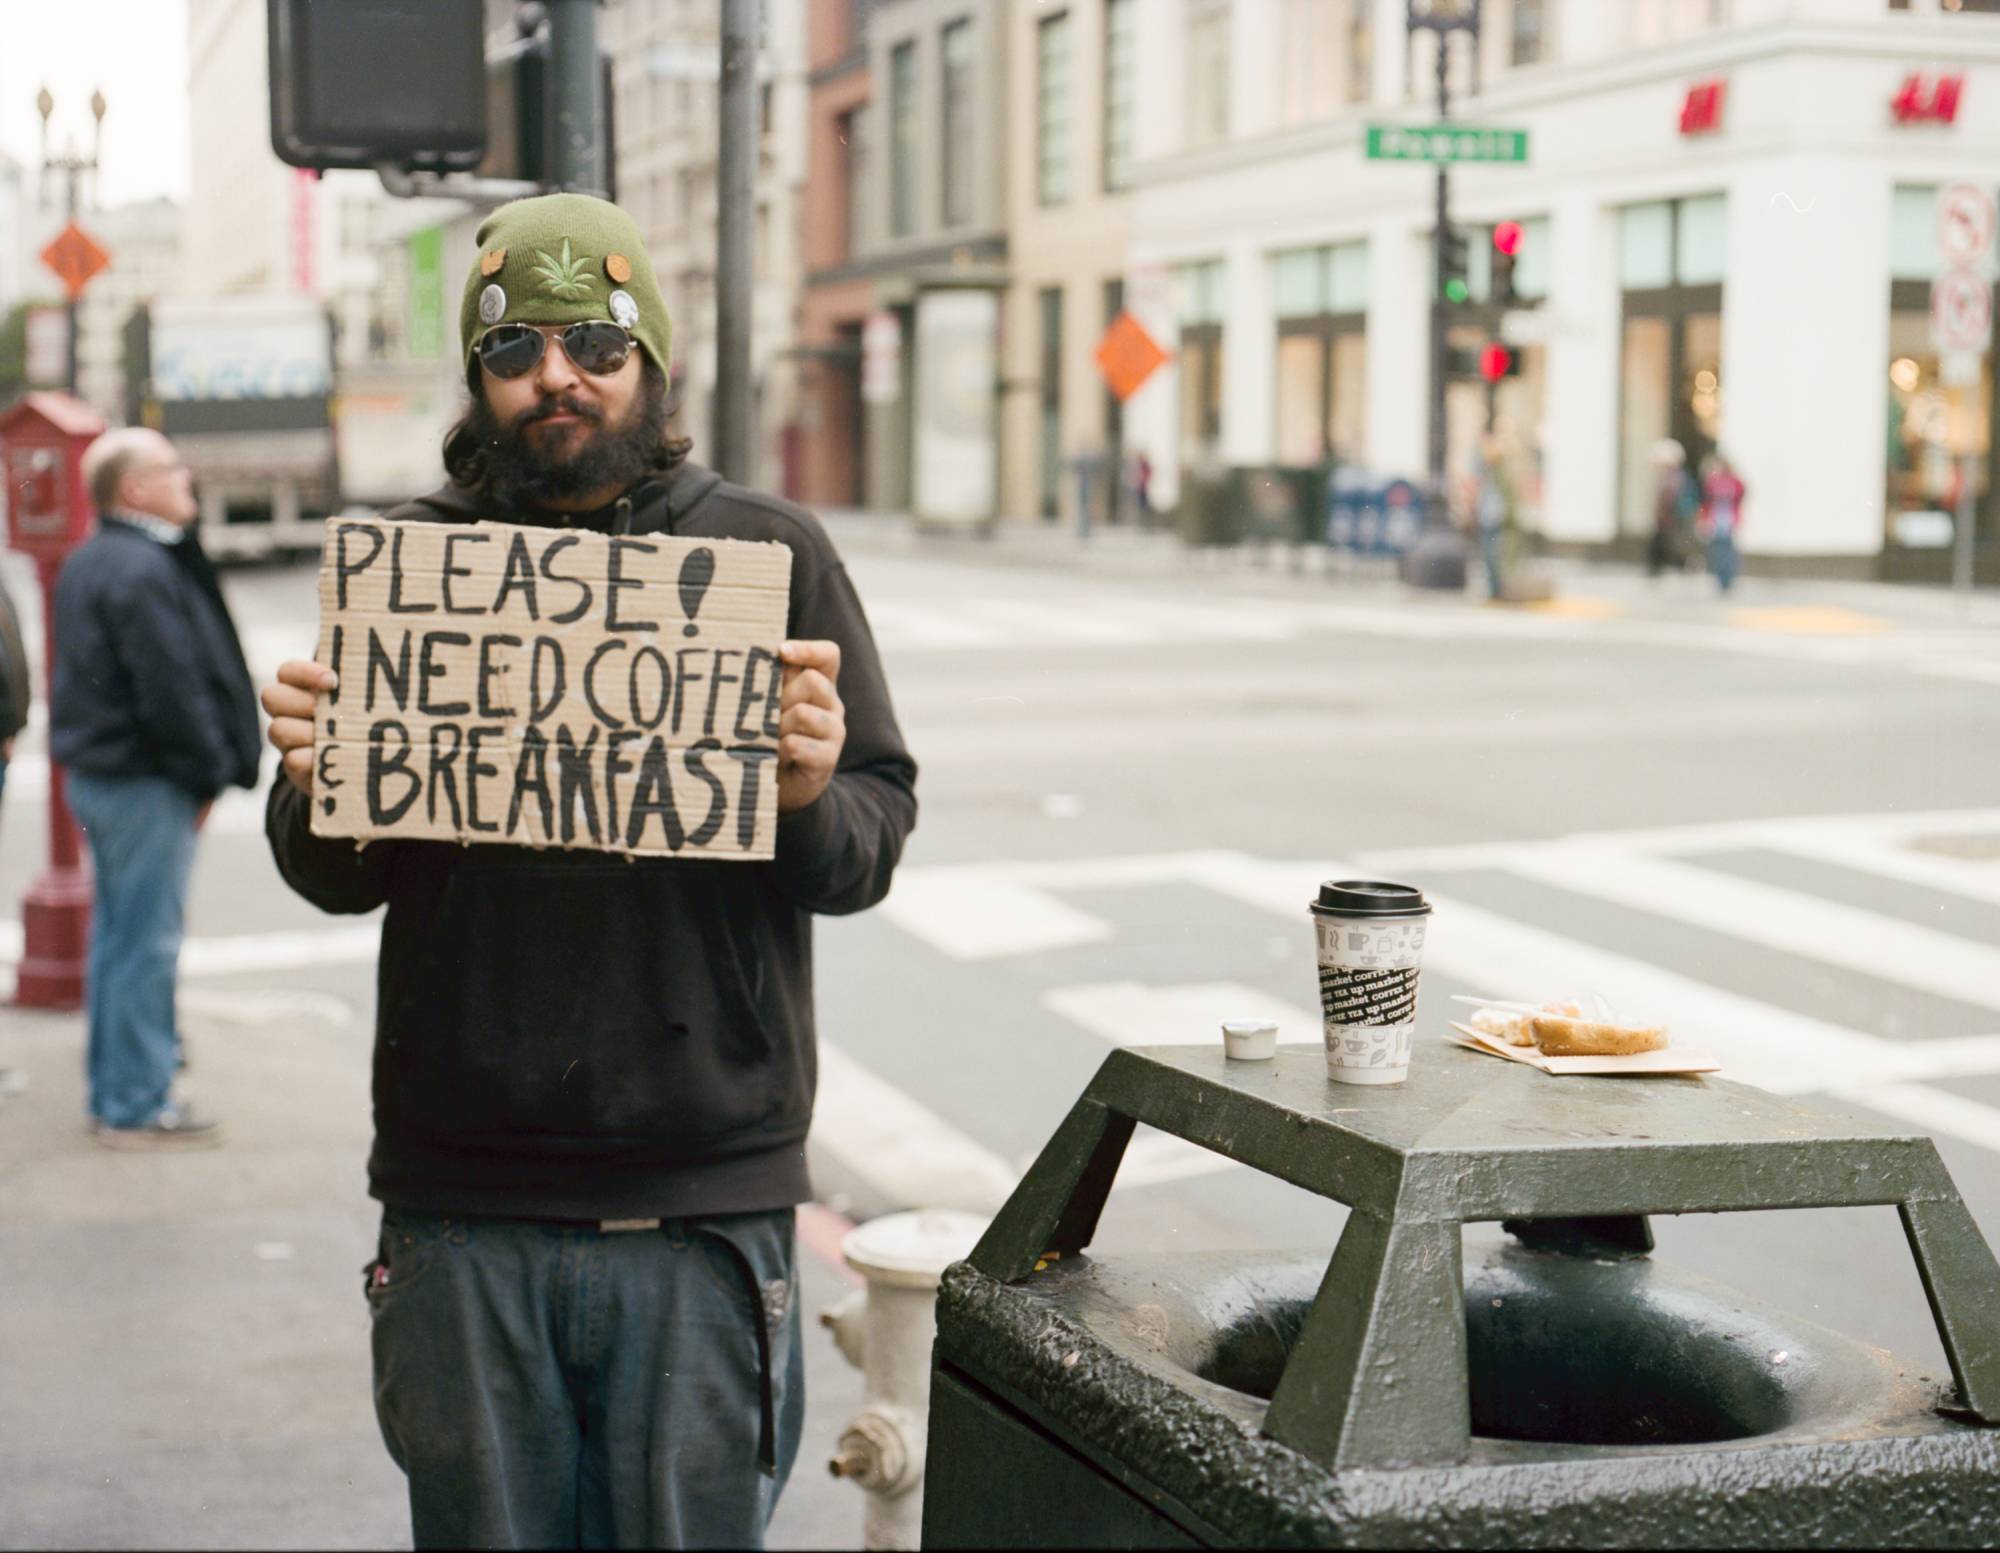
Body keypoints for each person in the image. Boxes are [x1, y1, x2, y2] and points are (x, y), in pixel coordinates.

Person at [259, 194, 918, 1551]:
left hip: (701, 1202)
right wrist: (315, 788)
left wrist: (803, 793)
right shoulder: (410, 565)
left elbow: (869, 842)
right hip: (462, 1208)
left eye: (593, 345)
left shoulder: (769, 553)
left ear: (649, 367)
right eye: (516, 351)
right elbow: (332, 877)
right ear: (480, 380)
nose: (556, 375)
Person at [51, 427, 260, 1146]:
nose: (187, 480)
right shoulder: (143, 568)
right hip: (145, 783)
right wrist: (208, 773)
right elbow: (171, 688)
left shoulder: (96, 558)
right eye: (171, 470)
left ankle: (115, 1089)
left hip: (105, 778)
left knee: (119, 938)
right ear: (133, 489)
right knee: (145, 944)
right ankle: (135, 1103)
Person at [1646, 438, 1696, 578]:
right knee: (1666, 541)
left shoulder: (1674, 476)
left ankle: (1679, 565)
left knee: (1670, 542)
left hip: (1671, 516)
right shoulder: (1673, 475)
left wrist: (1663, 513)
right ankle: (1668, 566)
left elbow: (1669, 497)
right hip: (1670, 516)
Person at [1471, 432, 1512, 600]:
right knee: (1489, 556)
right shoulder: (1487, 475)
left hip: (1495, 520)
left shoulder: (1499, 475)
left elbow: (1506, 498)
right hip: (1487, 519)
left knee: (1493, 555)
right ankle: (1493, 589)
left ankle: (1496, 589)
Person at [1700, 451, 1747, 594]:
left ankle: (1729, 578)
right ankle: (1721, 579)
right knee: (1718, 550)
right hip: (1716, 520)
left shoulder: (1735, 482)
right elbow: (1707, 502)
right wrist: (1704, 519)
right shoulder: (1712, 482)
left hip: (1729, 520)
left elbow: (1740, 499)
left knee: (1728, 550)